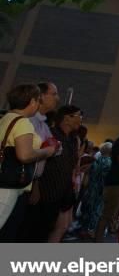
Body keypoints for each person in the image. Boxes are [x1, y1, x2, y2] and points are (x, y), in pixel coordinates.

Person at [0, 84, 57, 241]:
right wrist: (48, 151)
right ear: (32, 102)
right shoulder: (23, 122)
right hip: (9, 186)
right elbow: (25, 155)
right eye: (38, 101)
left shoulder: (6, 118)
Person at [36, 105, 82, 242]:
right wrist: (36, 187)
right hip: (47, 190)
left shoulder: (74, 140)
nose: (81, 120)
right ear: (67, 118)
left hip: (63, 192)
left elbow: (72, 165)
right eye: (79, 115)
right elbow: (39, 161)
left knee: (60, 228)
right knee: (39, 231)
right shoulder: (51, 134)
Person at [95, 120, 119, 242]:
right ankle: (98, 238)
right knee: (108, 212)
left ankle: (101, 236)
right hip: (115, 181)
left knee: (111, 212)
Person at [77, 141, 112, 239]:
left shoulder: (97, 160)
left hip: (91, 188)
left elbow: (88, 172)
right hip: (101, 190)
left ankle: (84, 229)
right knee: (97, 210)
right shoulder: (109, 162)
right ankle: (91, 230)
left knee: (88, 208)